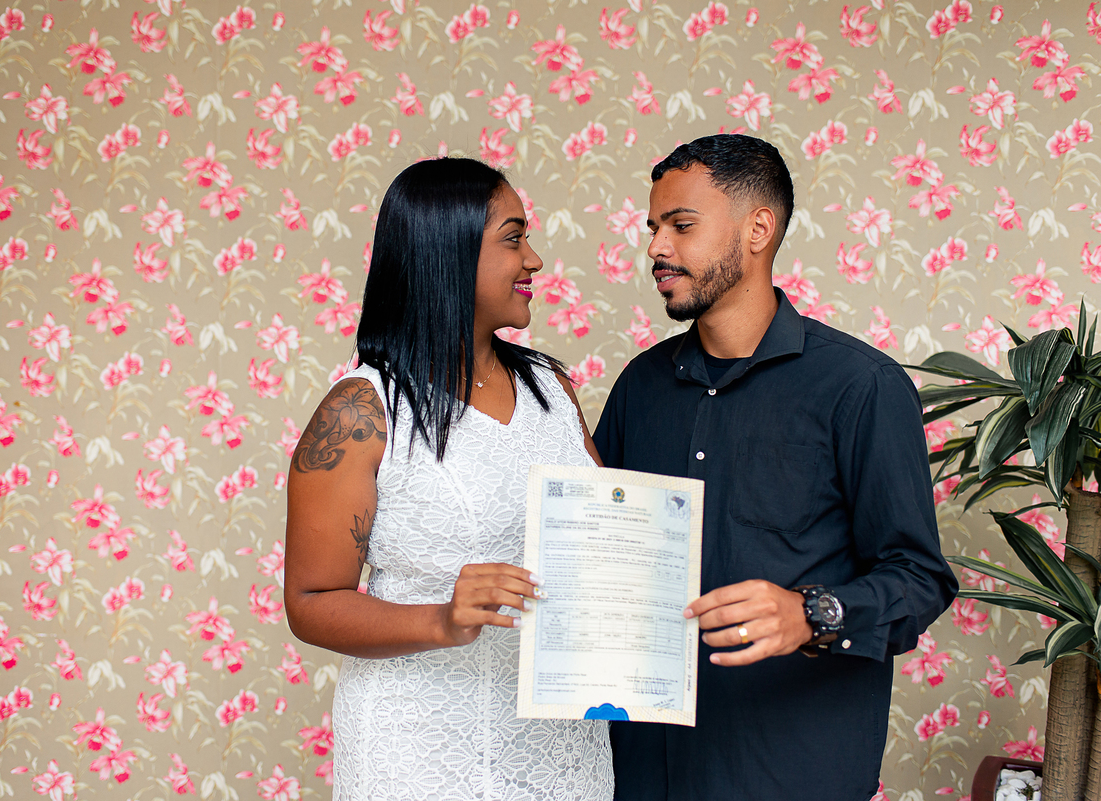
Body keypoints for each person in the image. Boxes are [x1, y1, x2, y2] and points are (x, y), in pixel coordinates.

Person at [593, 134, 958, 800]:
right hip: (644, 769)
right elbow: (599, 552)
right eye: (653, 228)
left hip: (790, 770)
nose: (656, 248)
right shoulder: (640, 387)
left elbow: (919, 578)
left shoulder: (861, 387)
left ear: (757, 229)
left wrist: (811, 613)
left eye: (681, 225)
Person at [282, 158, 613, 801]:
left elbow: (598, 540)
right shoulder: (361, 411)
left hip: (562, 750)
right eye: (513, 238)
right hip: (420, 755)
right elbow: (311, 601)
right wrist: (441, 620)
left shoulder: (550, 389)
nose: (535, 259)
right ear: (448, 252)